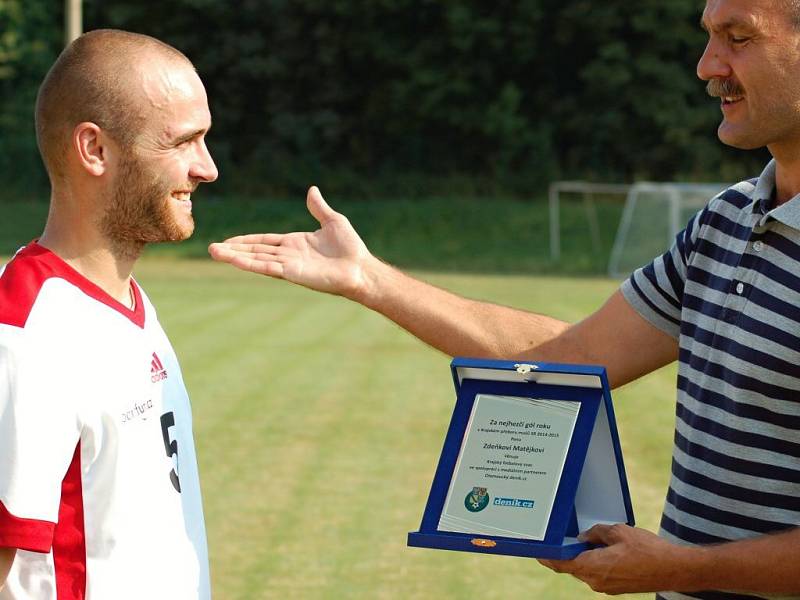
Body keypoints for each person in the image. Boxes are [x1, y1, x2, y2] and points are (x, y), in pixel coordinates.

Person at [208, 0, 800, 598]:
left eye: (738, 37)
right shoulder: (723, 223)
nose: (706, 65)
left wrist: (682, 569)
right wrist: (370, 280)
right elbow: (568, 359)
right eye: (708, 37)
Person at [0, 29, 218, 599]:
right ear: (94, 149)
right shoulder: (26, 333)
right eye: (183, 142)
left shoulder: (130, 302)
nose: (207, 168)